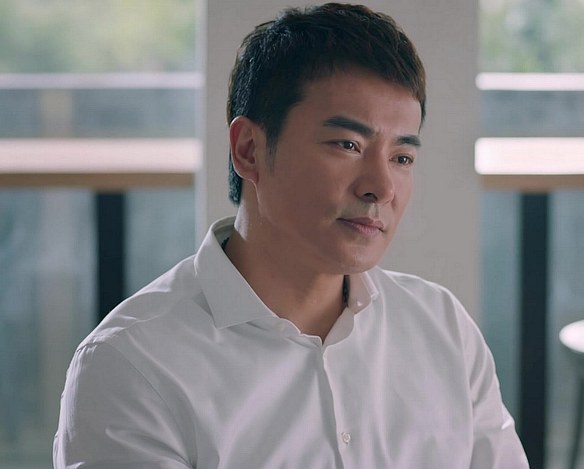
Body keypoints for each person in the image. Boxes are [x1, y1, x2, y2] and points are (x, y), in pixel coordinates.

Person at [54, 3, 528, 468]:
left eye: (401, 158)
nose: (382, 188)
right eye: (348, 145)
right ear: (249, 150)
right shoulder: (132, 364)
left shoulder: (442, 328)